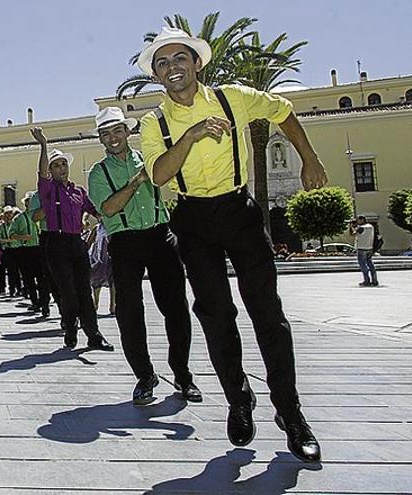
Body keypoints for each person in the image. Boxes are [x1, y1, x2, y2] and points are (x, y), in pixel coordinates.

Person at [137, 26, 328, 462]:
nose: (172, 68)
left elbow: (283, 110)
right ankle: (239, 399)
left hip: (240, 211)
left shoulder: (233, 97)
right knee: (216, 314)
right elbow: (160, 175)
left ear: (197, 62)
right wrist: (190, 135)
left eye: (179, 59)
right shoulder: (155, 123)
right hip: (193, 218)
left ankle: (291, 412)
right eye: (162, 63)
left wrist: (310, 157)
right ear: (156, 75)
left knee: (266, 311)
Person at [87, 106, 200, 406]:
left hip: (160, 235)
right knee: (129, 312)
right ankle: (145, 375)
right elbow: (108, 208)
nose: (112, 137)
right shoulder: (98, 173)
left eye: (117, 130)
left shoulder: (150, 160)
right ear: (100, 138)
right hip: (124, 242)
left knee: (175, 307)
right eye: (106, 133)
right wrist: (137, 182)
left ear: (127, 131)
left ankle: (182, 374)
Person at [30, 127, 113, 352]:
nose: (61, 168)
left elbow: (95, 210)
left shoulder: (79, 191)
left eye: (63, 164)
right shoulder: (47, 190)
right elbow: (42, 174)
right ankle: (70, 327)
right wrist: (44, 145)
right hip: (56, 244)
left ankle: (94, 335)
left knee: (84, 290)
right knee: (68, 291)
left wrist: (108, 219)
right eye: (56, 165)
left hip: (76, 243)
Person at [350, 216, 378, 287]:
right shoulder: (370, 226)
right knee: (370, 264)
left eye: (358, 220)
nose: (357, 222)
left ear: (362, 220)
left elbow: (352, 234)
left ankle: (366, 280)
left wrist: (351, 227)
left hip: (362, 248)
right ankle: (374, 280)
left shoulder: (362, 228)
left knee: (363, 265)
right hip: (369, 248)